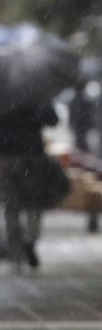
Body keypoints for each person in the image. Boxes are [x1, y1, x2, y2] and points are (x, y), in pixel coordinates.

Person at [0, 104, 64, 273]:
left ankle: (16, 250)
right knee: (34, 202)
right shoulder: (35, 94)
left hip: (6, 156)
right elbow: (53, 120)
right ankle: (30, 240)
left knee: (11, 205)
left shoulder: (5, 93)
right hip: (32, 155)